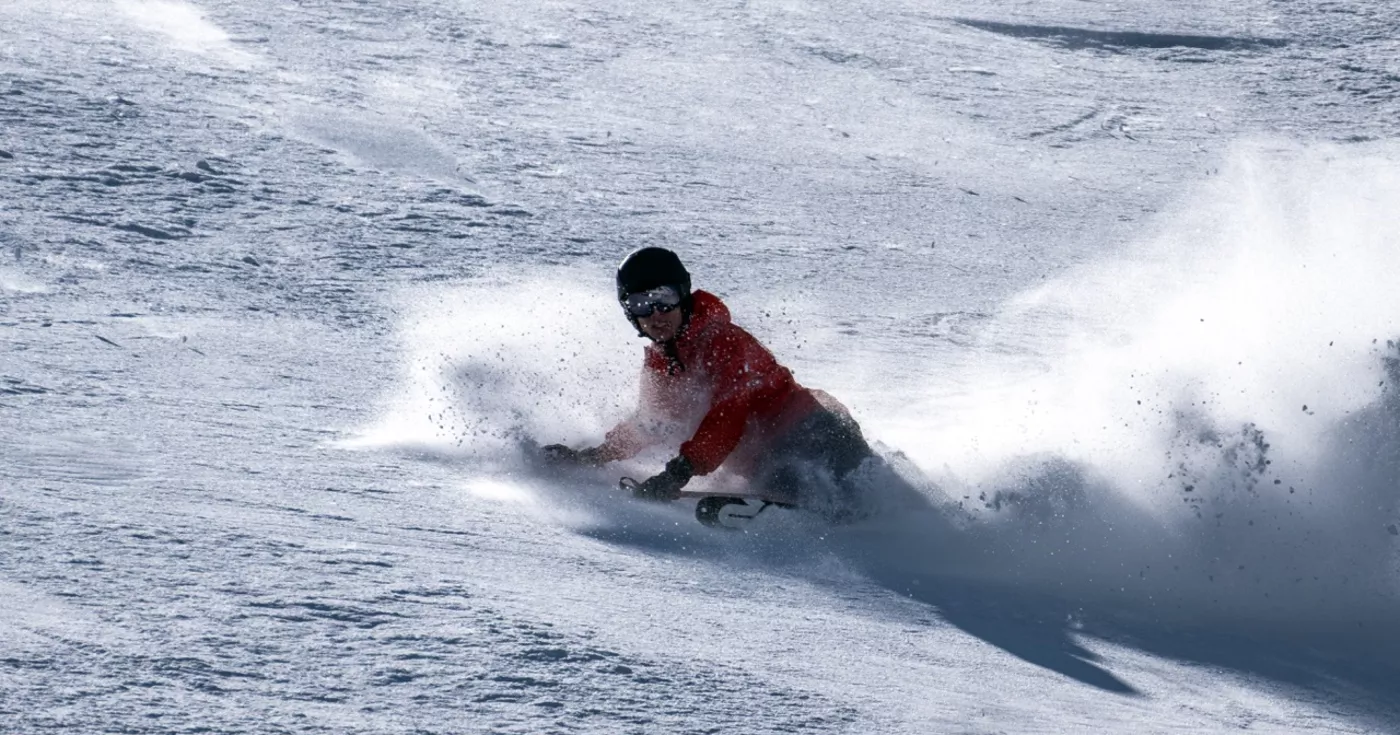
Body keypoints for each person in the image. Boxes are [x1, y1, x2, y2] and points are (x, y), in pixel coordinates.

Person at [542, 247, 874, 515]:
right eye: (641, 304)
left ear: (683, 296)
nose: (655, 313)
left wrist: (679, 472)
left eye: (664, 298)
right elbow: (652, 423)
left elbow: (728, 416)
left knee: (845, 494)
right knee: (784, 482)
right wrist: (594, 456)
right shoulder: (663, 363)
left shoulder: (722, 341)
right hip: (770, 462)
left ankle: (857, 516)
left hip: (815, 434)